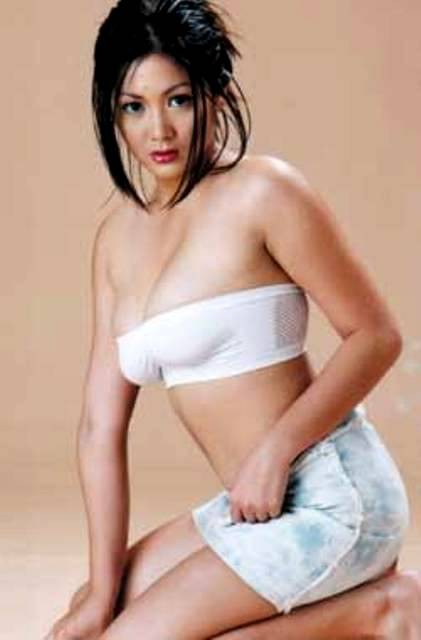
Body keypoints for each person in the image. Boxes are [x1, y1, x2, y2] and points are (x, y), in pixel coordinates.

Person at [45, 1, 421, 639]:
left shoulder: (264, 192)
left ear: (215, 93)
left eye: (178, 100)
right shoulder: (116, 240)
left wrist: (275, 451)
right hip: (248, 510)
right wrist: (102, 593)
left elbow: (376, 337)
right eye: (133, 107)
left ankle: (387, 610)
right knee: (95, 610)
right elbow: (98, 429)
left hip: (332, 497)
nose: (158, 130)